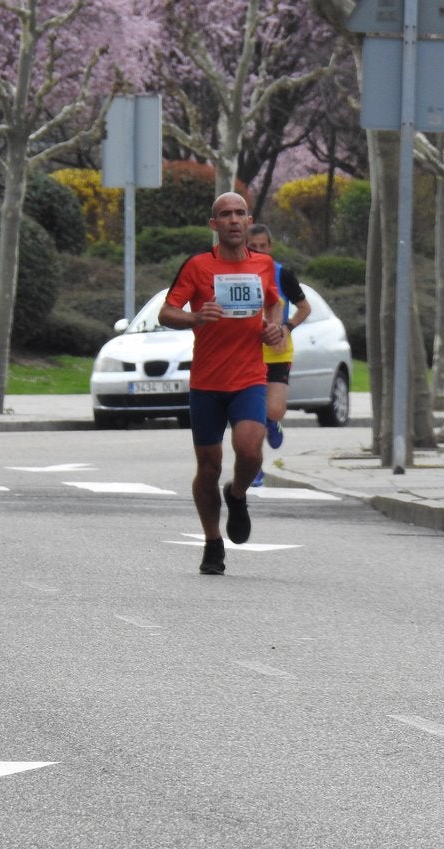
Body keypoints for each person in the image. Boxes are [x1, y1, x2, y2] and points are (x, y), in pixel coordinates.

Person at [158, 192, 286, 575]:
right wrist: (196, 318)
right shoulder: (198, 266)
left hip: (248, 377)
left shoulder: (264, 264)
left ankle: (238, 493)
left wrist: (274, 326)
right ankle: (213, 543)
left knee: (249, 450)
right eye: (225, 215)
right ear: (214, 225)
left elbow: (274, 302)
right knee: (209, 466)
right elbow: (167, 312)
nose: (233, 220)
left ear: (249, 221)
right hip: (207, 382)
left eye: (240, 214)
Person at [245, 223, 312, 486]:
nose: (259, 250)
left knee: (272, 410)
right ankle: (255, 469)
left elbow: (304, 308)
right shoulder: (238, 274)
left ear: (270, 247)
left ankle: (275, 423)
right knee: (252, 415)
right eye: (253, 247)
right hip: (246, 353)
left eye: (263, 246)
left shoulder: (282, 274)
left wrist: (287, 327)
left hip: (277, 352)